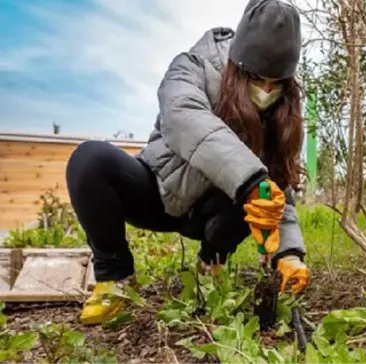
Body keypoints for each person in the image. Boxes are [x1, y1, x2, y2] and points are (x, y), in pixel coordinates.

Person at [65, 0, 311, 326]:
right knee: (90, 160)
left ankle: (212, 265)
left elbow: (278, 186)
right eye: (257, 79)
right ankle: (116, 276)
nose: (266, 91)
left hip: (214, 214)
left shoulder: (280, 111)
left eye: (276, 84)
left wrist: (289, 254)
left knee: (256, 188)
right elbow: (184, 119)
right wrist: (251, 179)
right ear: (238, 65)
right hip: (160, 191)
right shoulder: (192, 67)